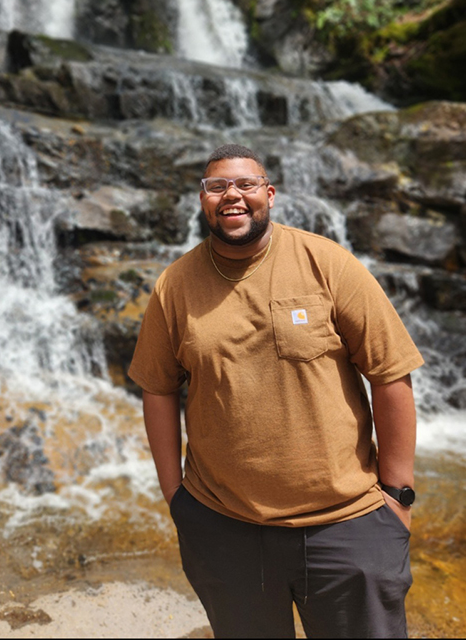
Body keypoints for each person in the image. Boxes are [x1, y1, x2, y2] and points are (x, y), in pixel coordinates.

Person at [128, 143, 424, 639]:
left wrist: (397, 497)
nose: (232, 195)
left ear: (269, 194)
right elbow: (157, 389)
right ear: (202, 199)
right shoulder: (174, 286)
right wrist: (175, 496)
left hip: (346, 524)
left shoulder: (327, 263)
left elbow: (390, 372)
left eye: (245, 184)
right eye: (217, 186)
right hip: (224, 527)